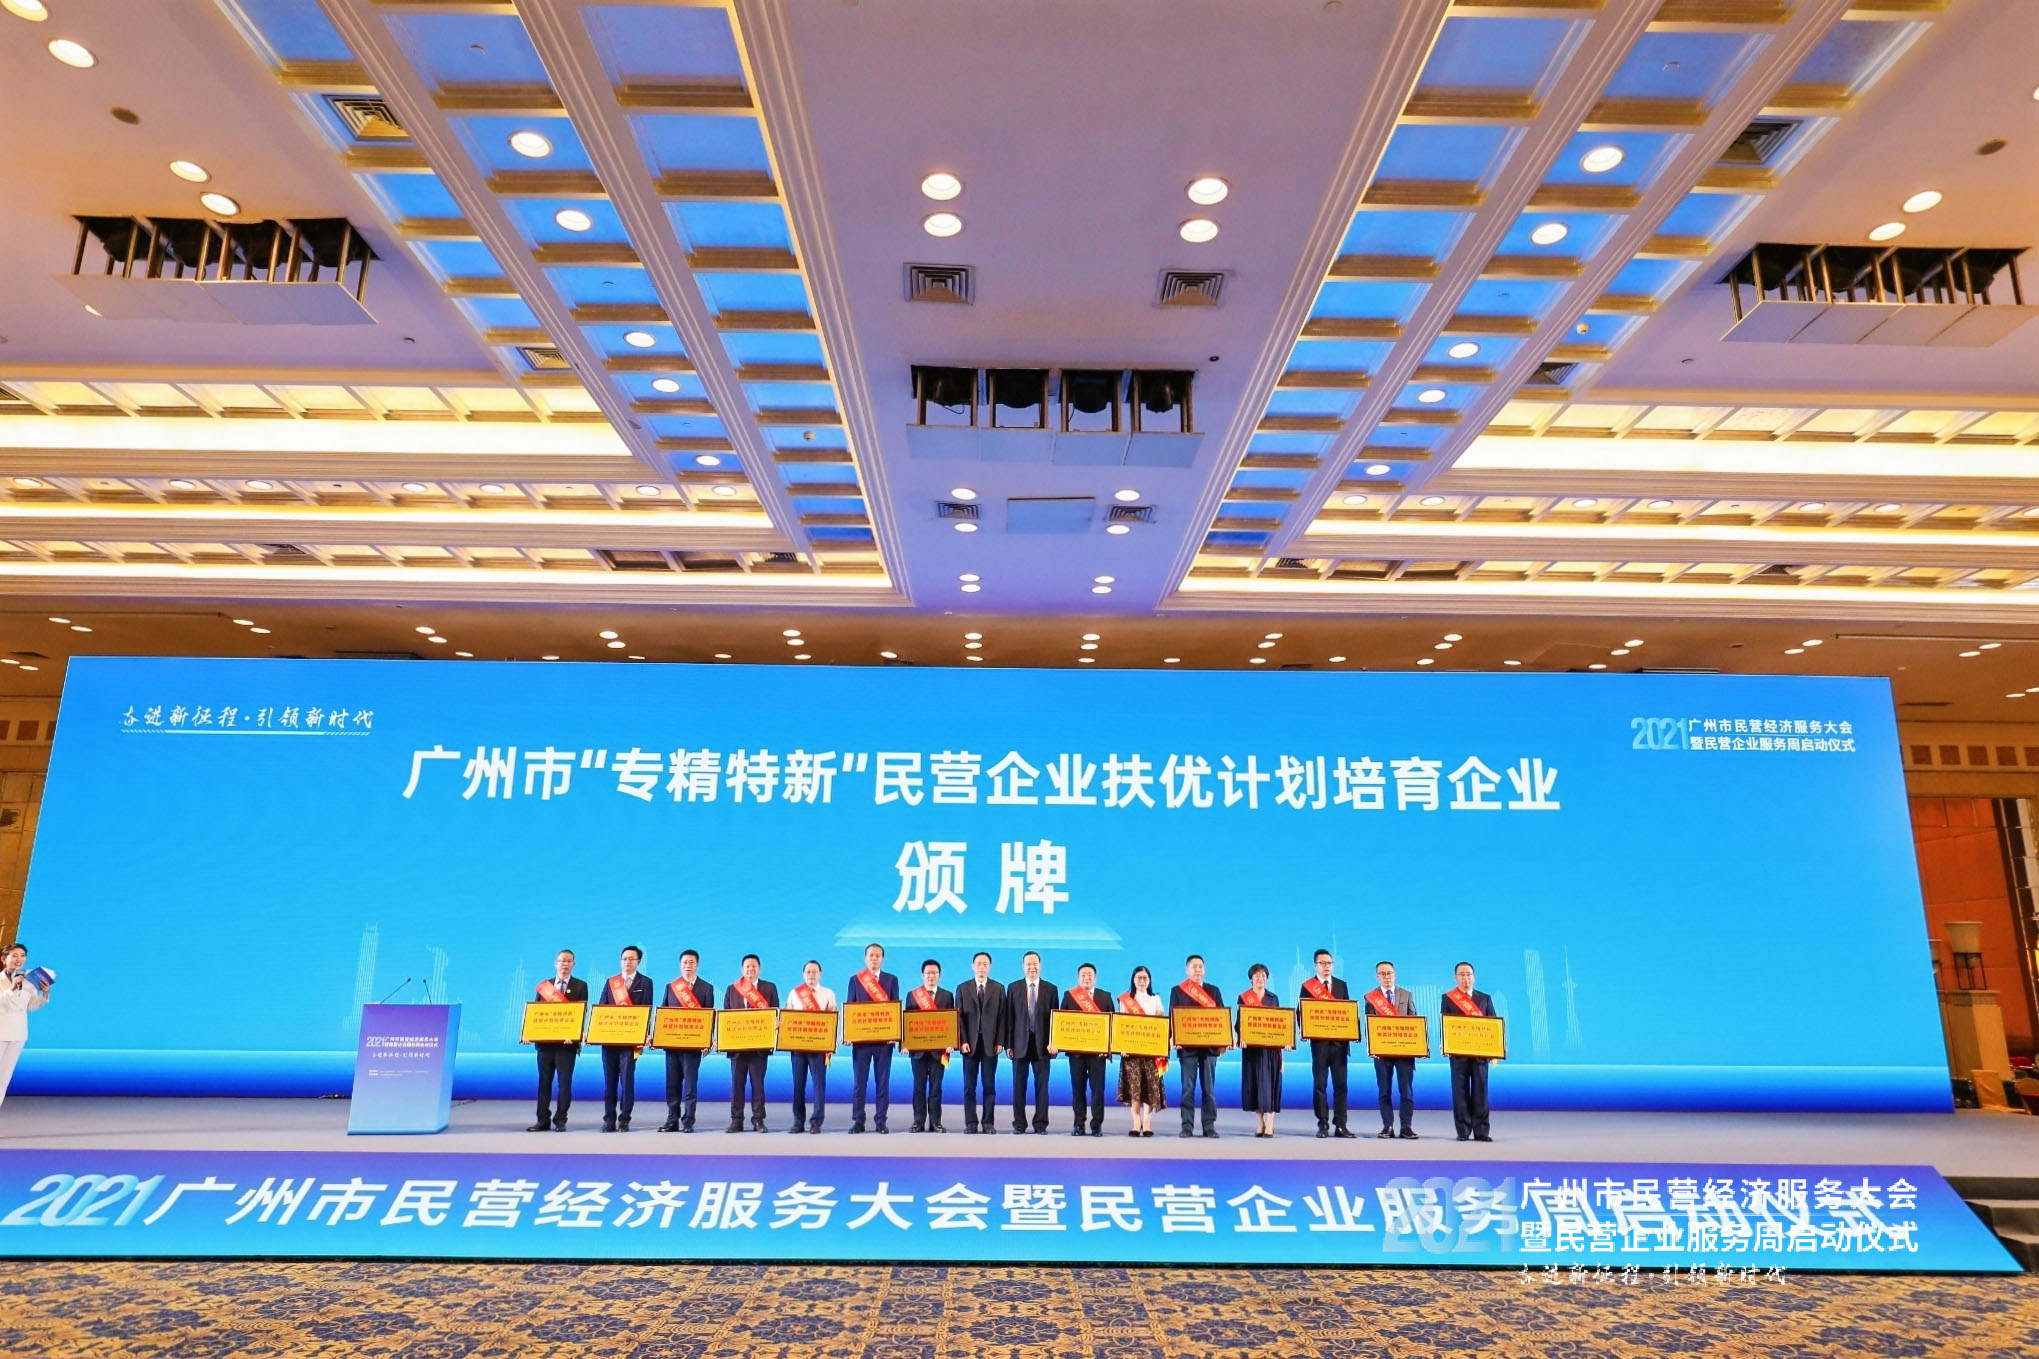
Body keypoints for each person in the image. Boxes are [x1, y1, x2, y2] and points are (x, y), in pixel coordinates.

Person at [526, 948, 586, 1132]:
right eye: (561, 961)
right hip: (545, 1045)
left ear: (573, 964)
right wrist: (529, 1033)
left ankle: (561, 1120)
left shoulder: (580, 986)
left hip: (566, 1045)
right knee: (544, 1083)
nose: (564, 964)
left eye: (568, 961)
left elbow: (581, 1013)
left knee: (564, 1084)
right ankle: (542, 1120)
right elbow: (536, 1013)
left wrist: (573, 1034)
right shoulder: (545, 987)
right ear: (555, 963)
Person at [1000, 950, 1057, 1134]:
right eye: (1028, 964)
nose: (1032, 967)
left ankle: (1041, 1124)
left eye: (1035, 964)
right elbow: (1009, 1018)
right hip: (1019, 1044)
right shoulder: (1013, 987)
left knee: (1042, 1088)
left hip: (1043, 1046)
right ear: (1023, 966)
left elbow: (1056, 1021)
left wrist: (1055, 1043)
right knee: (1019, 1087)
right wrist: (1009, 1044)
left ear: (1040, 966)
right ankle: (1019, 1123)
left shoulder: (1051, 989)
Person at [1055, 961, 1115, 1137]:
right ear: (1078, 978)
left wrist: (1108, 1048)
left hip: (1098, 1054)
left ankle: (1097, 1126)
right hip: (1076, 1054)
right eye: (1083, 975)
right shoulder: (1069, 996)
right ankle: (1078, 1125)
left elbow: (1112, 1024)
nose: (1086, 978)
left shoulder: (1105, 996)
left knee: (1098, 1090)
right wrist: (1057, 1042)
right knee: (1078, 1090)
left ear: (1095, 978)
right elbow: (1061, 1023)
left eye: (1090, 975)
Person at [597, 946, 653, 1132]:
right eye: (624, 959)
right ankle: (609, 1119)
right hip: (610, 1041)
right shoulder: (611, 982)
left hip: (630, 1042)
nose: (627, 962)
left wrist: (644, 1035)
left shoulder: (646, 982)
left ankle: (624, 1119)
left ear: (638, 962)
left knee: (627, 1082)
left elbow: (646, 1011)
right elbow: (602, 1009)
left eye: (631, 959)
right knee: (609, 1082)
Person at [1169, 953, 1225, 1139]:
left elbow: (1221, 1017)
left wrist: (1226, 1038)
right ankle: (1187, 1126)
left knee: (1209, 1090)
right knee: (1187, 1090)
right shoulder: (1178, 991)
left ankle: (1209, 1126)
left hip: (1209, 1048)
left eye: (1201, 966)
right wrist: (1172, 1037)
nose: (1198, 970)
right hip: (1187, 1048)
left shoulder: (1214, 991)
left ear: (1205, 970)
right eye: (1194, 967)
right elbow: (1173, 1017)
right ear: (1187, 970)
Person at [1302, 947, 1356, 1139]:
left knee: (1341, 1085)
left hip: (1340, 1045)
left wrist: (1353, 1031)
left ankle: (1341, 1125)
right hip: (1319, 1045)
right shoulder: (1308, 986)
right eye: (1322, 963)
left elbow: (1348, 1013)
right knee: (1320, 1085)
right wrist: (1306, 1029)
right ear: (1315, 965)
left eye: (1329, 963)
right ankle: (1322, 1124)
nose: (1326, 966)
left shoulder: (1341, 985)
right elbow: (1303, 1013)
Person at [658, 949, 713, 1133]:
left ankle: (688, 1121)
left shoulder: (706, 988)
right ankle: (672, 1120)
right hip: (672, 1046)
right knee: (672, 1085)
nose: (687, 966)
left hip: (693, 1047)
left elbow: (709, 1017)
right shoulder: (671, 987)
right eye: (684, 963)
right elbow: (663, 1014)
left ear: (697, 965)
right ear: (680, 965)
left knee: (690, 1086)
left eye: (691, 962)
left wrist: (707, 1040)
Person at [847, 942, 900, 1134]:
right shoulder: (855, 980)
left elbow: (894, 1007)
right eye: (871, 955)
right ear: (865, 958)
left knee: (882, 1083)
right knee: (859, 1084)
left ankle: (881, 1121)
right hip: (861, 1042)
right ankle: (858, 1121)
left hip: (884, 1042)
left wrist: (894, 1033)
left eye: (878, 955)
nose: (874, 958)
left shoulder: (891, 980)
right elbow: (850, 1007)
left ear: (882, 959)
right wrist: (849, 1033)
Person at [723, 954, 779, 1132]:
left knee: (758, 1085)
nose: (750, 969)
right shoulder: (732, 989)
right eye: (747, 966)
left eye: (754, 966)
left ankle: (758, 1120)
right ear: (742, 969)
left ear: (759, 969)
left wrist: (776, 1023)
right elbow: (726, 1018)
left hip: (759, 1048)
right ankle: (736, 1120)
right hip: (737, 1048)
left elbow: (775, 1013)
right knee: (736, 1085)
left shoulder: (769, 988)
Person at [1444, 960, 1497, 1142]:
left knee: (1481, 1093)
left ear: (1474, 977)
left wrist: (1497, 1047)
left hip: (1480, 1056)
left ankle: (1482, 1132)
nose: (1465, 978)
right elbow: (1445, 1024)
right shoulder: (1448, 998)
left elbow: (1493, 1024)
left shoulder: (1485, 998)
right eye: (1462, 974)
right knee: (1460, 1093)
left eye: (1468, 974)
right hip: (1458, 1055)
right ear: (1456, 977)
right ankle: (1463, 1132)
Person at [0, 942, 52, 1127]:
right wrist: (12, 988)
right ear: (4, 959)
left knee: (4, 1080)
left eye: (22, 956)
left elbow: (31, 1006)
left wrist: (44, 994)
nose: (19, 959)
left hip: (18, 1034)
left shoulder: (28, 981)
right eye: (14, 955)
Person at [1366, 959, 1418, 1140]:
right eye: (1382, 974)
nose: (1386, 977)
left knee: (1406, 1091)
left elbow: (1414, 1021)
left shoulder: (1406, 994)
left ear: (1395, 975)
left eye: (1389, 973)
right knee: (1384, 1090)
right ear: (1377, 977)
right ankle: (1387, 1126)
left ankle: (1406, 1127)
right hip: (1381, 1052)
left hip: (1404, 1052)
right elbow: (1369, 1025)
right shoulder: (1371, 997)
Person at [955, 950, 1005, 1134]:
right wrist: (962, 1040)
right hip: (969, 1044)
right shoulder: (963, 988)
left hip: (990, 1044)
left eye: (985, 964)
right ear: (972, 966)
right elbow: (958, 1018)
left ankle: (988, 1122)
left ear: (990, 967)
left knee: (989, 1085)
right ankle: (971, 1122)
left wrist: (1000, 1041)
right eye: (978, 964)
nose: (981, 967)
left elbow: (1002, 1017)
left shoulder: (998, 988)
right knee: (969, 1086)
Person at [785, 958, 836, 1134]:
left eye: (814, 972)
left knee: (818, 1086)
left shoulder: (828, 994)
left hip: (819, 1048)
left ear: (820, 974)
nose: (811, 975)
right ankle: (798, 1122)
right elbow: (787, 1018)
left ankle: (816, 1122)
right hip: (798, 1047)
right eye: (808, 972)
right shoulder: (794, 993)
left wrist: (831, 1044)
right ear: (803, 974)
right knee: (798, 1085)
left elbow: (832, 1021)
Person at [1116, 965, 1166, 1137]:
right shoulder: (1126, 1000)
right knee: (1135, 1088)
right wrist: (1121, 1046)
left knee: (1151, 1088)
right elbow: (1121, 1026)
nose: (1142, 981)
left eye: (1145, 978)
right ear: (1133, 980)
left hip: (1151, 1052)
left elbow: (1161, 1026)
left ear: (1149, 980)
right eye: (1139, 978)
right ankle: (1136, 1122)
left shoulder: (1156, 999)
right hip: (1132, 1052)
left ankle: (1147, 1122)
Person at [905, 958, 954, 1133]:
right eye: (928, 973)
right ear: (922, 975)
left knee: (936, 1088)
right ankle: (918, 1122)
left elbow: (951, 1022)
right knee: (918, 1088)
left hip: (938, 1052)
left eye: (934, 973)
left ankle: (935, 1122)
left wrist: (951, 1043)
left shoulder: (947, 996)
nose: (931, 976)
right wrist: (905, 1043)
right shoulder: (913, 995)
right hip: (917, 1051)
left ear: (939, 975)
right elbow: (907, 1021)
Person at [1238, 963, 1283, 1138]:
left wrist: (1285, 1041)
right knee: (1254, 1084)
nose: (1260, 978)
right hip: (1251, 1049)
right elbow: (1240, 1023)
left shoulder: (1273, 998)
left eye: (1263, 975)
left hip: (1270, 1049)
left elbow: (1281, 1022)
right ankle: (1260, 1122)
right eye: (1257, 976)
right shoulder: (1244, 997)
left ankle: (1270, 1123)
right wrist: (1241, 1037)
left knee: (1270, 1084)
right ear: (1251, 979)